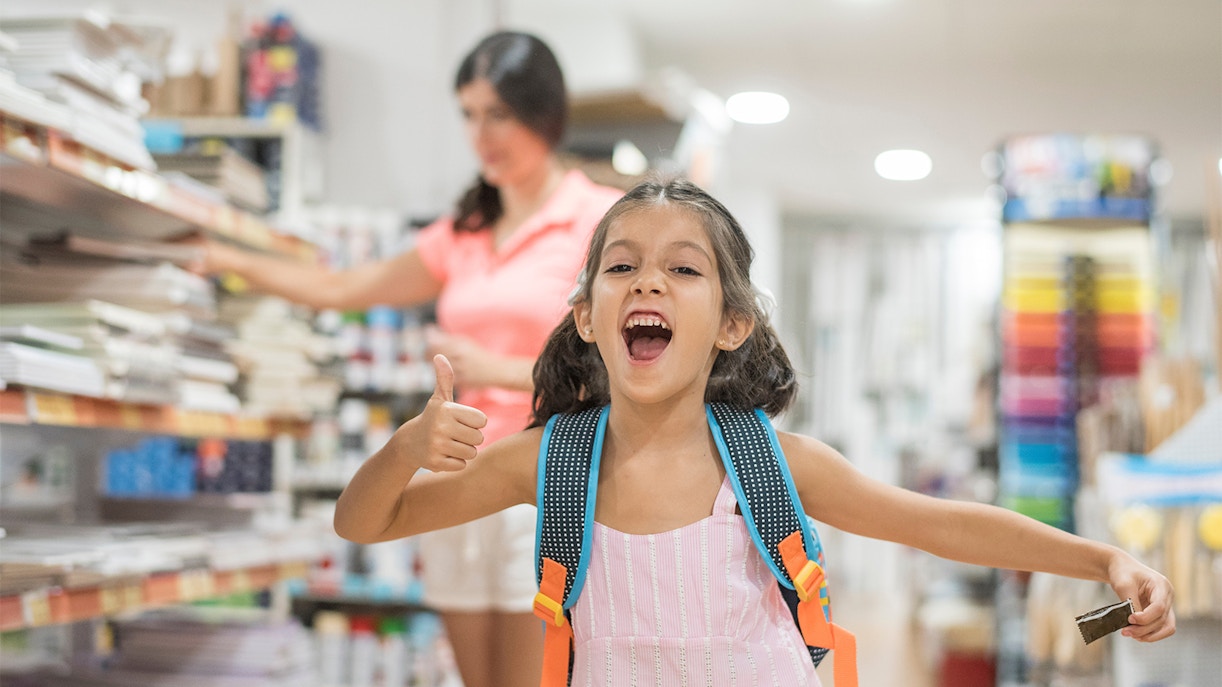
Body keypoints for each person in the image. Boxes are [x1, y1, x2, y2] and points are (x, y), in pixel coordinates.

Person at [333, 176, 1176, 686]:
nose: (647, 280)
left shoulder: (771, 465)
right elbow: (365, 521)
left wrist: (1103, 558)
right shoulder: (550, 462)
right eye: (621, 265)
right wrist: (406, 448)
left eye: (683, 268)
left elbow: (939, 522)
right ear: (587, 316)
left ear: (732, 323)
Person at [192, 31, 623, 687]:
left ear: (545, 114)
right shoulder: (464, 233)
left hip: (543, 480)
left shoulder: (599, 221)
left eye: (500, 113)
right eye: (470, 114)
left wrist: (498, 368)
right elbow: (341, 288)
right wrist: (225, 255)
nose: (483, 133)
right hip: (454, 478)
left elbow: (623, 362)